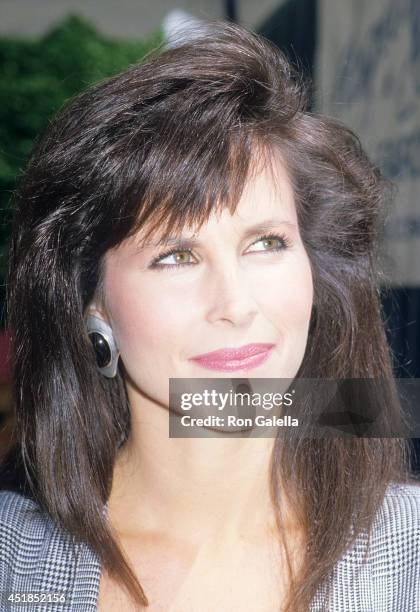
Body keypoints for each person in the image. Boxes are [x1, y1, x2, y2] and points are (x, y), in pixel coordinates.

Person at [0, 20, 419, 612]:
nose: (236, 305)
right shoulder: (13, 560)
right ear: (91, 300)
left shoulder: (409, 556)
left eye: (266, 243)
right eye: (176, 256)